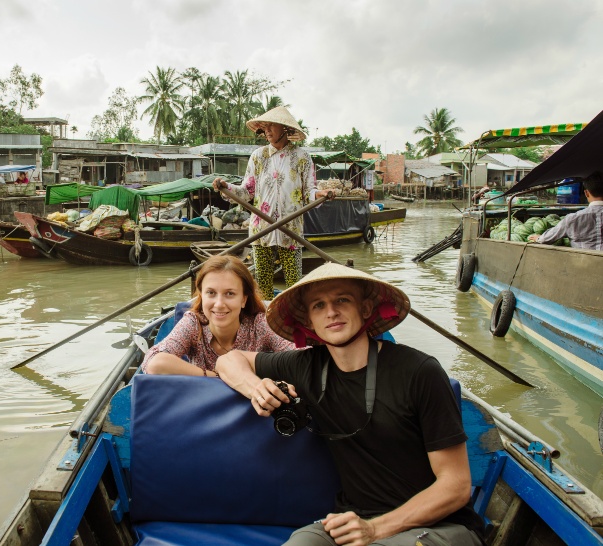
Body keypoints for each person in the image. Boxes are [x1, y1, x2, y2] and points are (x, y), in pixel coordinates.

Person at [215, 263, 484, 546]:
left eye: (342, 300)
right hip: (353, 520)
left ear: (366, 309)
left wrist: (375, 530)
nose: (331, 312)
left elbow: (456, 485)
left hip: (442, 526)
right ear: (309, 322)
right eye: (319, 306)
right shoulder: (305, 367)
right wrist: (256, 388)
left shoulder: (419, 372)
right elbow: (229, 360)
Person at [212, 106, 334, 300]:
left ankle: (293, 322)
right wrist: (227, 187)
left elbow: (308, 191)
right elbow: (246, 191)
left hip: (291, 230)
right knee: (262, 285)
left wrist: (321, 193)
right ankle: (265, 324)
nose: (267, 130)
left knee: (295, 285)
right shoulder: (258, 157)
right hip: (262, 230)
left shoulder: (302, 157)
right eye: (265, 127)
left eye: (272, 126)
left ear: (284, 128)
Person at [141, 255, 294, 376]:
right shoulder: (193, 324)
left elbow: (299, 358)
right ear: (202, 296)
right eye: (211, 293)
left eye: (230, 294)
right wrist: (212, 376)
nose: (219, 304)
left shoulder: (259, 325)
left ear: (243, 299)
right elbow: (153, 363)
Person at [527, 172, 603, 250]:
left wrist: (538, 238)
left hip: (582, 261)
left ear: (586, 193)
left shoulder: (572, 218)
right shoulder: (572, 218)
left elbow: (545, 239)